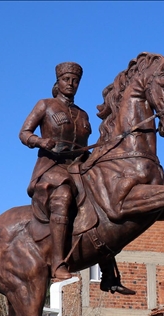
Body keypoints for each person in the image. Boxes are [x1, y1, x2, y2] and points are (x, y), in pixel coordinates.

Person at [19, 62, 134, 295]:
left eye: (75, 81)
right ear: (58, 82)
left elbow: (83, 147)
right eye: (66, 80)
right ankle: (59, 263)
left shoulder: (82, 114)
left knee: (105, 199)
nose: (71, 84)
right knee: (63, 193)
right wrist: (41, 142)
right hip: (51, 167)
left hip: (78, 166)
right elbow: (24, 133)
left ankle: (109, 274)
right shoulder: (45, 105)